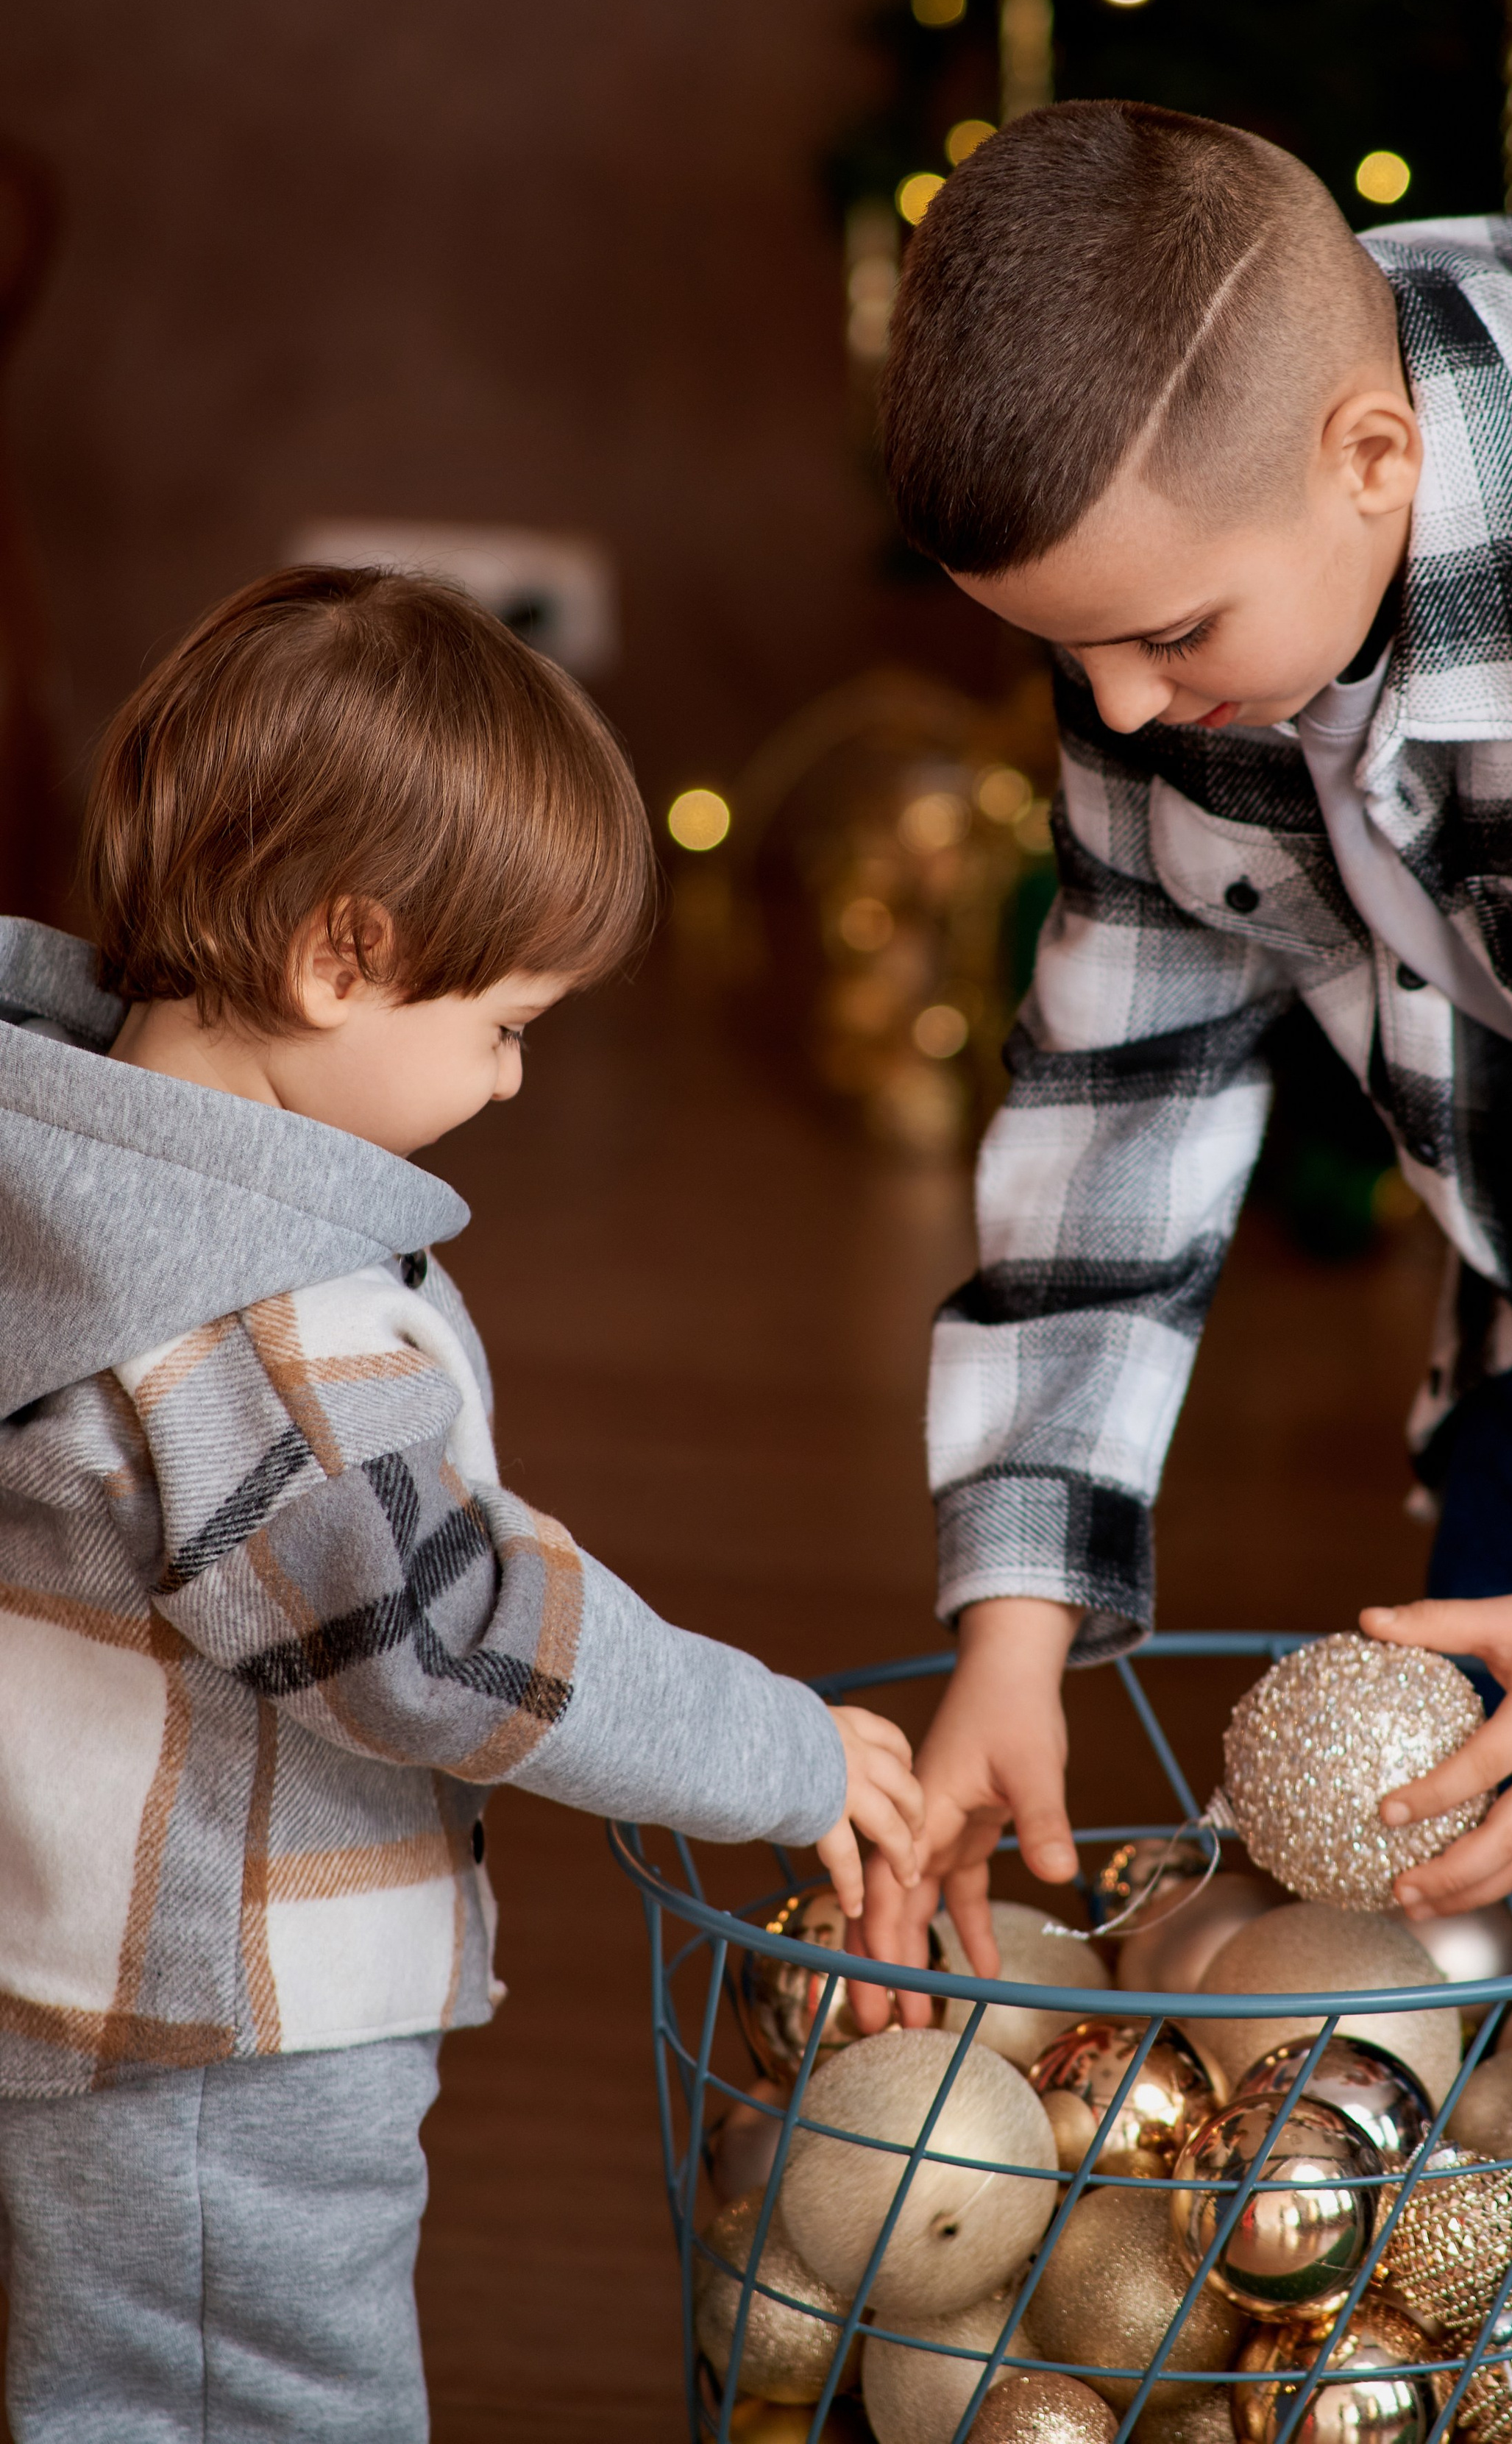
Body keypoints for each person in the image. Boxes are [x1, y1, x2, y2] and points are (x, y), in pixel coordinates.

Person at [858, 96, 1512, 1999]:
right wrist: (1016, 1617)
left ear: (1373, 460)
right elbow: (1121, 1079)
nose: (1118, 712)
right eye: (1068, 654)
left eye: (1168, 639)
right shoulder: (1178, 549)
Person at [0, 564, 922, 2443]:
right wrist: (782, 1751)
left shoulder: (88, 1170)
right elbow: (440, 1637)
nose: (509, 1083)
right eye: (505, 1022)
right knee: (251, 2400)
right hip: (224, 2015)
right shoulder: (257, 1316)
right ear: (340, 959)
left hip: (98, 1951)